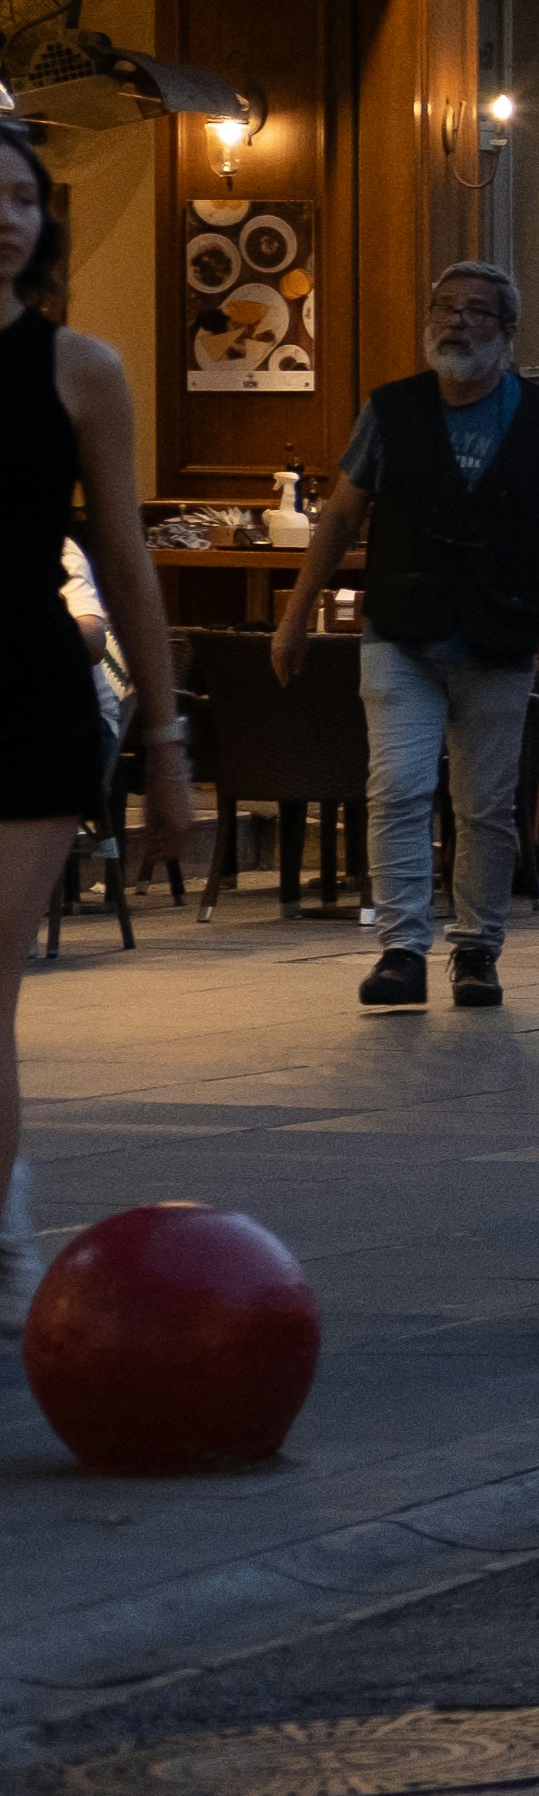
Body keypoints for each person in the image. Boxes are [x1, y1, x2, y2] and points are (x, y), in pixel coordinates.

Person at [277, 259, 539, 1012]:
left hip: (499, 630)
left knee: (483, 803)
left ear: (507, 333)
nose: (455, 322)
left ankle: (478, 948)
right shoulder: (391, 409)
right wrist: (295, 614)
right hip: (402, 631)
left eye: (476, 311)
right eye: (444, 307)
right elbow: (342, 515)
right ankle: (401, 948)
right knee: (398, 789)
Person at [0, 110, 181, 1282]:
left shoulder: (78, 367)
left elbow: (124, 559)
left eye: (19, 201)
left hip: (20, 688)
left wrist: (166, 736)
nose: (3, 222)